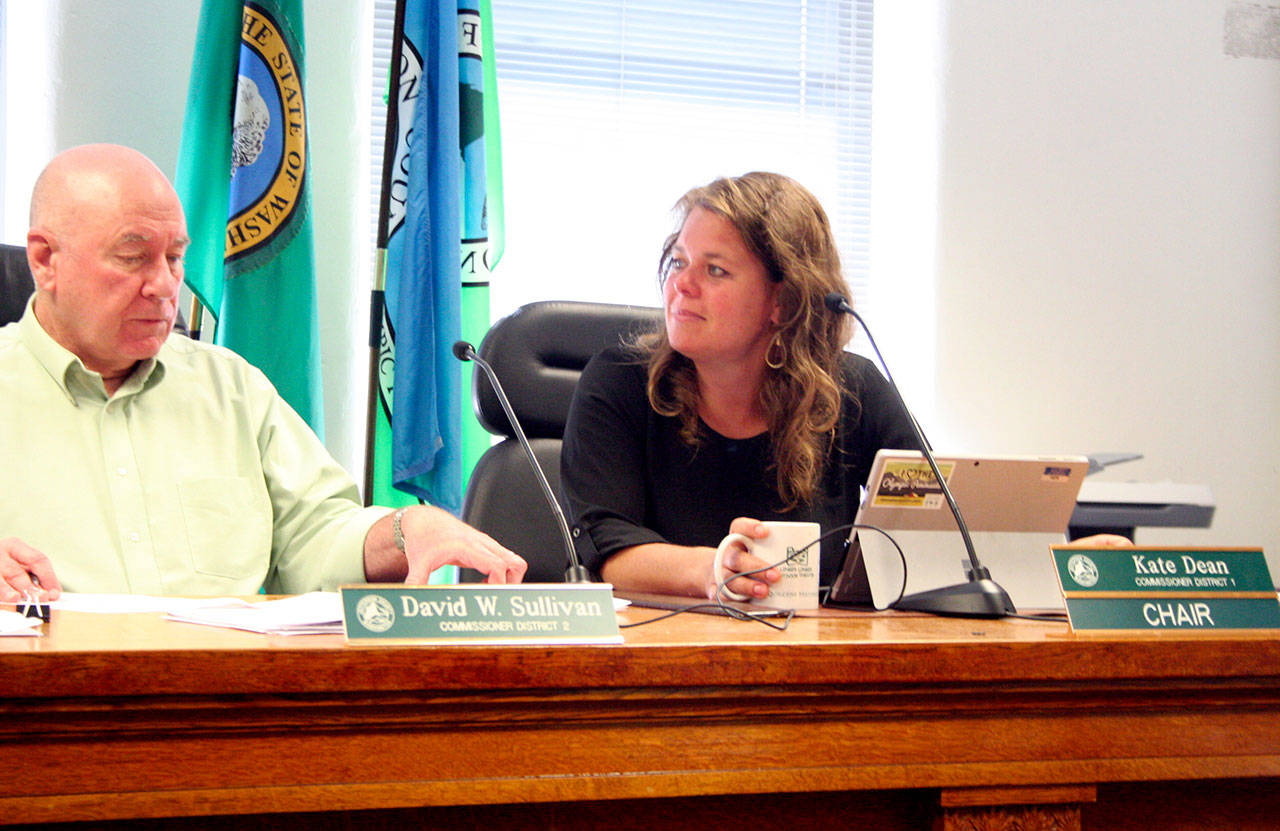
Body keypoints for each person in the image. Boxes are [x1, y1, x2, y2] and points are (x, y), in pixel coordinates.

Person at [0, 144, 526, 602]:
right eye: (133, 257)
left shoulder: (230, 388)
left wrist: (407, 530)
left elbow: (315, 532)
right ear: (45, 260)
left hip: (230, 693)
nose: (163, 286)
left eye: (176, 258)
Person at [561, 172, 921, 602]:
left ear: (782, 302)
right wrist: (712, 569)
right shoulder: (619, 383)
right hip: (663, 654)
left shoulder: (852, 389)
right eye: (678, 261)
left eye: (715, 270)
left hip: (818, 652)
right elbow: (606, 553)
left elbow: (932, 521)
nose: (682, 285)